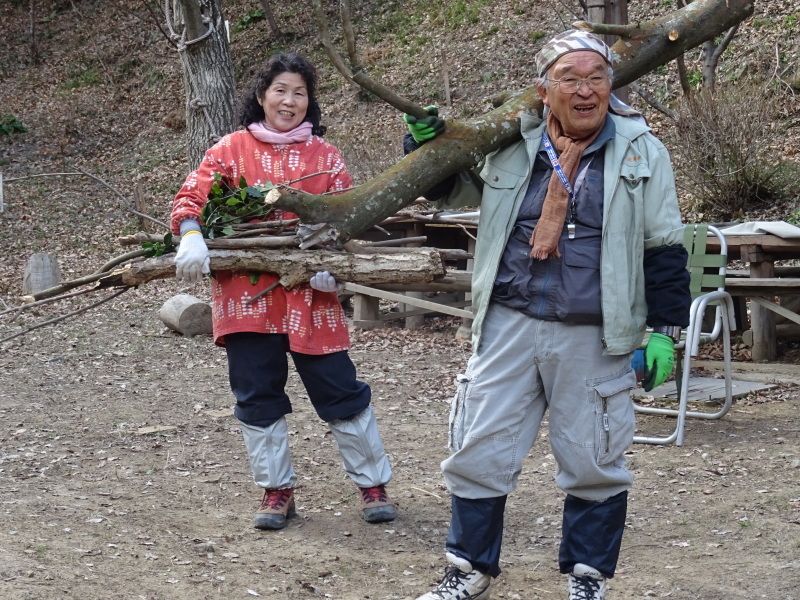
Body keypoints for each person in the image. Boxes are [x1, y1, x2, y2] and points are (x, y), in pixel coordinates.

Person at [404, 31, 691, 600]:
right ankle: (468, 568)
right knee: (479, 446)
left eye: (597, 78)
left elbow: (662, 246)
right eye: (570, 79)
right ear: (543, 90)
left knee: (593, 456)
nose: (586, 91)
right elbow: (449, 190)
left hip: (593, 330)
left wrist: (664, 331)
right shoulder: (512, 141)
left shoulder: (641, 150)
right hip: (510, 319)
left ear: (612, 84)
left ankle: (588, 577)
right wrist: (425, 148)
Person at [170, 52, 396, 530]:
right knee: (256, 391)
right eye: (280, 91)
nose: (289, 101)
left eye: (299, 92)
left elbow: (343, 222)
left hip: (310, 296)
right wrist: (191, 233)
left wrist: (333, 269)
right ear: (261, 97)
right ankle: (277, 491)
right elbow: (191, 198)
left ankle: (372, 483)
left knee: (339, 388)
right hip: (244, 295)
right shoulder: (228, 150)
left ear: (309, 102)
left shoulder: (326, 157)